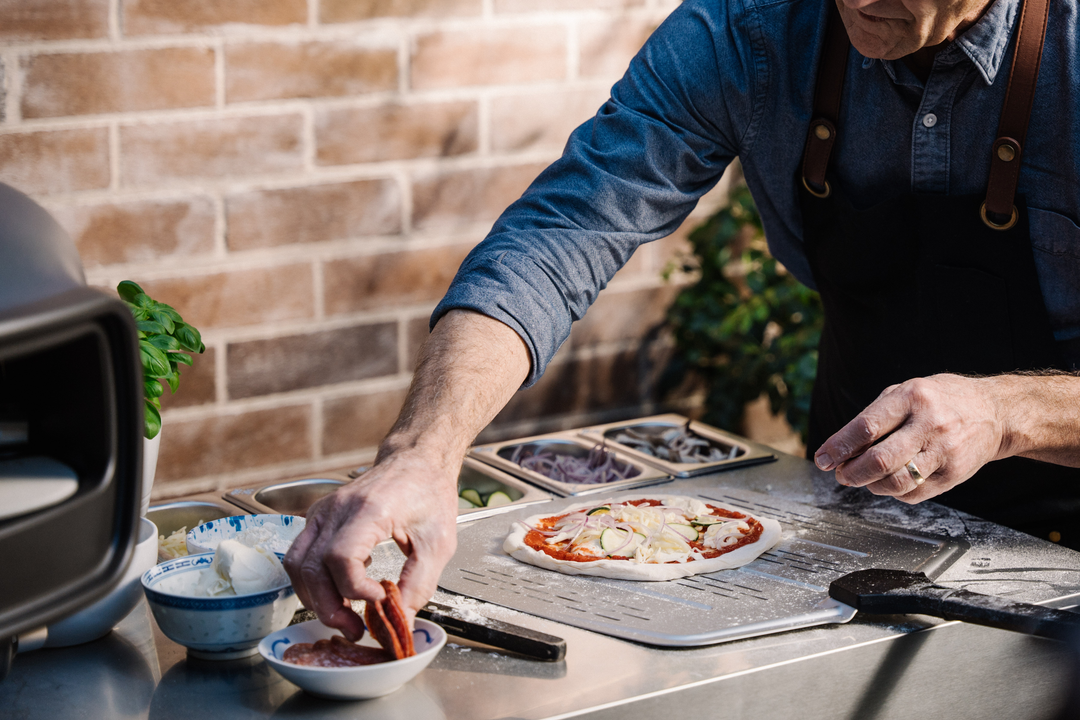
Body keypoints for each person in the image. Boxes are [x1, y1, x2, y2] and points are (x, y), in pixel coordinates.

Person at [284, 0, 1080, 636]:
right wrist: (422, 454)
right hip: (857, 528)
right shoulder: (752, 28)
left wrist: (1006, 411)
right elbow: (565, 230)